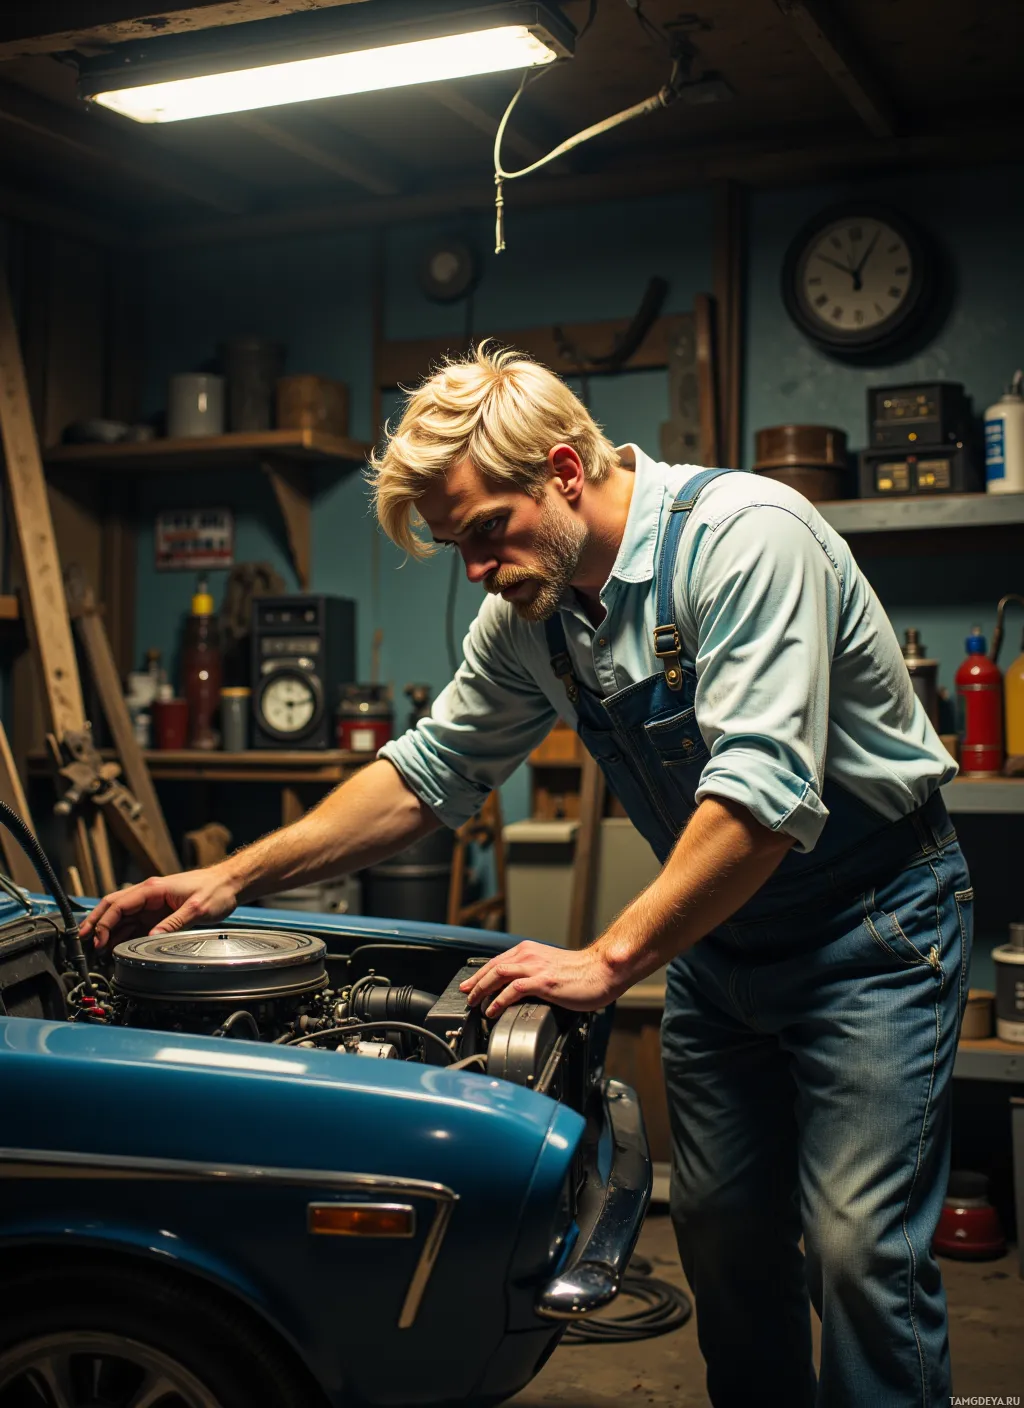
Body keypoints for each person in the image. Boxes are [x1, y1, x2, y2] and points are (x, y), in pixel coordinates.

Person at [83, 344, 970, 1407]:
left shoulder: (746, 540)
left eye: (484, 531)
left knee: (857, 1250)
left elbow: (762, 801)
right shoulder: (531, 616)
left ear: (562, 470)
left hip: (870, 932)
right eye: (454, 545)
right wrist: (230, 876)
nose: (473, 568)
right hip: (722, 943)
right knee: (724, 1235)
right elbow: (427, 774)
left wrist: (610, 958)